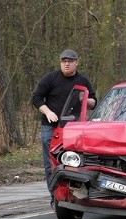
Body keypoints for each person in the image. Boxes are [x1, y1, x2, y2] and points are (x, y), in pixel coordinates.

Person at [30, 49, 97, 209]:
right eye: (63, 61)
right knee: (51, 164)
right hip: (51, 128)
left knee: (75, 163)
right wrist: (48, 112)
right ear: (60, 62)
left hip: (74, 130)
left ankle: (75, 196)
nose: (66, 64)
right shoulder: (50, 78)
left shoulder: (82, 80)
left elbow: (94, 101)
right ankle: (56, 199)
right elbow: (36, 98)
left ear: (76, 63)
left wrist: (86, 101)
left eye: (70, 61)